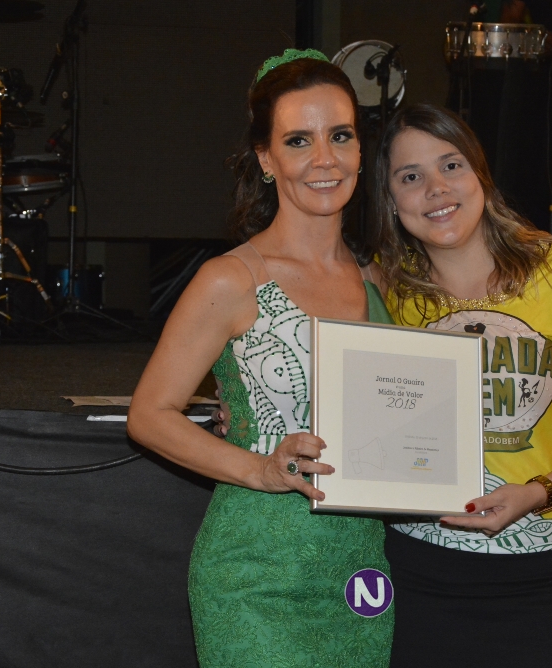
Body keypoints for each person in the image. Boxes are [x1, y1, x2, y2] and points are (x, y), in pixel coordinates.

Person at [126, 50, 394, 667]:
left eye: (340, 136)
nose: (324, 158)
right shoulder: (231, 279)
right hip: (255, 573)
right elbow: (150, 414)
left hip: (362, 574)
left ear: (360, 151)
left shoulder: (380, 280)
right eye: (299, 140)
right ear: (267, 160)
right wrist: (260, 468)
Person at [369, 103, 552, 667]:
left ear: (480, 174)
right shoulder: (379, 291)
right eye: (410, 176)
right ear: (391, 200)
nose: (435, 188)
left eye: (451, 165)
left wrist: (537, 492)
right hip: (424, 577)